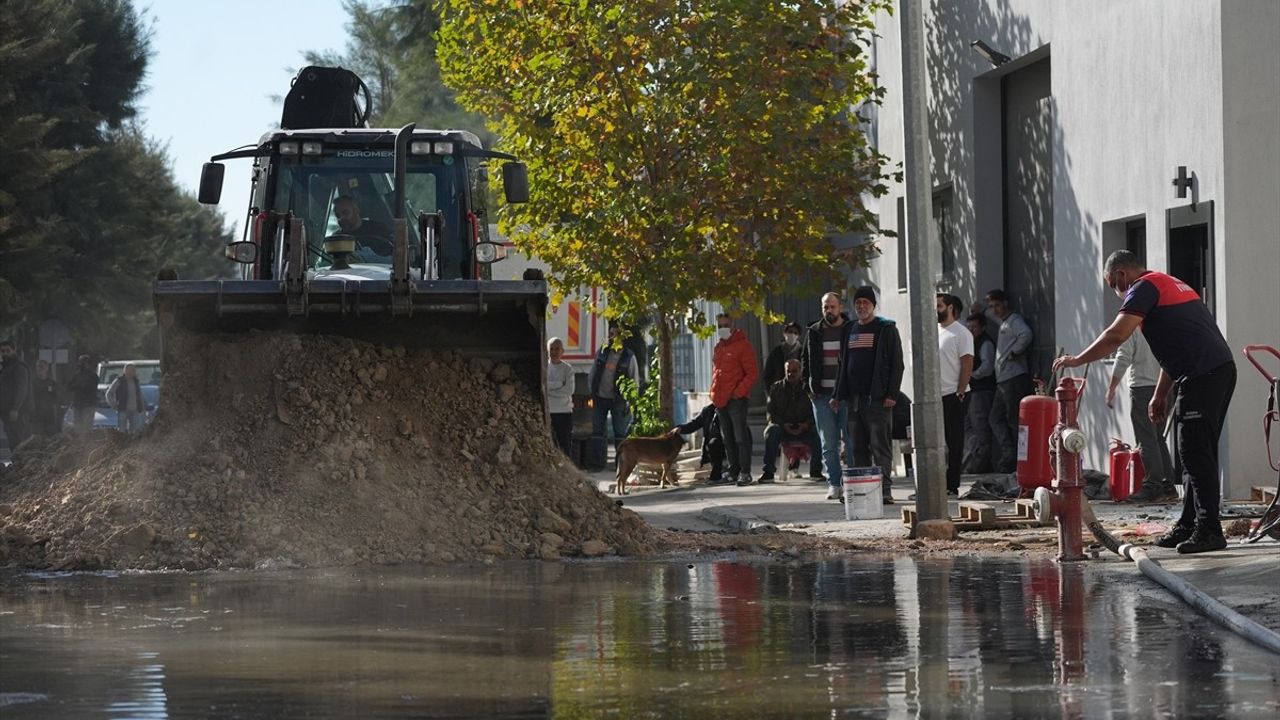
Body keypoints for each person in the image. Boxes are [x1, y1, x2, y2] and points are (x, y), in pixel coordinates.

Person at [1054, 250, 1236, 554]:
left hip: (1204, 373)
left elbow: (1116, 336)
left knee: (1194, 452)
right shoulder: (1167, 284)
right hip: (1213, 371)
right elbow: (1175, 346)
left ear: (1122, 276)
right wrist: (1160, 393)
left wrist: (1076, 360)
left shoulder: (1142, 288)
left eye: (1114, 284)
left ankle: (1209, 530)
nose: (1117, 292)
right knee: (1191, 453)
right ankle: (1190, 524)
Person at [832, 286, 904, 504]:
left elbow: (896, 364)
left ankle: (885, 491)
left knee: (879, 445)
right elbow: (842, 365)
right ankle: (863, 490)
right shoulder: (849, 329)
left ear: (874, 305)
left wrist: (892, 393)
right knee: (857, 447)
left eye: (866, 303)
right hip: (854, 399)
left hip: (878, 399)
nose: (861, 307)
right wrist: (837, 394)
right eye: (858, 303)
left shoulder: (885, 329)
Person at [1105, 332, 1178, 503]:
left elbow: (1123, 356)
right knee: (1157, 438)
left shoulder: (1133, 323)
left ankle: (1153, 487)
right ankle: (1168, 486)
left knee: (1146, 439)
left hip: (1143, 388)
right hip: (1166, 388)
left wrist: (1111, 388)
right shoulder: (1164, 319)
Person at [802, 292, 853, 500]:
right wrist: (809, 388)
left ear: (840, 307)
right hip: (821, 396)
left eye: (832, 307)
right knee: (828, 444)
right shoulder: (814, 332)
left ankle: (850, 483)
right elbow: (805, 361)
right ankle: (833, 483)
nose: (828, 311)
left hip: (846, 395)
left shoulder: (851, 329)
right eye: (825, 307)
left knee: (850, 442)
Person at [986, 289, 1034, 472]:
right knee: (995, 418)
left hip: (1013, 377)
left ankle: (1016, 459)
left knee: (1014, 419)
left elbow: (1026, 334)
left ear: (1005, 302)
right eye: (991, 307)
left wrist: (1015, 352)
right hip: (1004, 378)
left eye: (997, 305)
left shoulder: (1014, 320)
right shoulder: (1005, 322)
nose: (994, 310)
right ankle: (1009, 454)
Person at [710, 313, 758, 486]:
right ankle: (733, 470)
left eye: (725, 325)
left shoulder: (743, 346)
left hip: (737, 399)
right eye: (719, 326)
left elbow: (752, 373)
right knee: (727, 438)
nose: (722, 329)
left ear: (733, 326)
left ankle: (745, 472)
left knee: (740, 437)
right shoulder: (718, 347)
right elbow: (717, 374)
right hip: (720, 399)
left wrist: (739, 392)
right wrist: (713, 394)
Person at [760, 359, 823, 482]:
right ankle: (768, 472)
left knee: (818, 431)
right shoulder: (776, 388)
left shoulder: (807, 389)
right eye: (788, 371)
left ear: (800, 372)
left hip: (804, 428)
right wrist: (784, 425)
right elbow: (771, 412)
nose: (790, 374)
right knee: (771, 431)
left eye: (794, 371)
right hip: (783, 428)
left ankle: (816, 471)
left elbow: (815, 412)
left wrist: (805, 425)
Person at [936, 294, 974, 497]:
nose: (936, 309)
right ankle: (934, 484)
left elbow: (967, 363)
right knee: (933, 443)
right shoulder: (933, 331)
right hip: (934, 397)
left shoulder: (961, 333)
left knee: (954, 441)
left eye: (939, 306)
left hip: (954, 394)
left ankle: (952, 485)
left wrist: (960, 390)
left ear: (950, 308)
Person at [588, 322, 639, 467]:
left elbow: (634, 380)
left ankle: (620, 465)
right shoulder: (602, 352)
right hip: (600, 397)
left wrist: (631, 401)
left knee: (620, 434)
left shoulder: (629, 357)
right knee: (597, 432)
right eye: (610, 334)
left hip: (619, 400)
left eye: (614, 335)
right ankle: (597, 464)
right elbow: (592, 373)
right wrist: (592, 391)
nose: (611, 337)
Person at [962, 313, 996, 473]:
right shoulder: (971, 342)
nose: (971, 329)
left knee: (981, 428)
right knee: (969, 428)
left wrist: (971, 374)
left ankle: (983, 464)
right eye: (969, 327)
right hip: (970, 391)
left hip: (981, 391)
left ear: (982, 327)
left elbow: (987, 367)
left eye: (974, 326)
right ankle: (972, 463)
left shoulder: (985, 343)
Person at [674, 404, 727, 484]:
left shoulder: (729, 408)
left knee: (715, 443)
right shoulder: (708, 410)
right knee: (713, 444)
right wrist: (680, 428)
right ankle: (716, 475)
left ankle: (726, 473)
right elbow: (694, 424)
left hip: (728, 442)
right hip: (713, 444)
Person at [0, 339, 31, 447]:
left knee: (18, 441)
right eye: (2, 351)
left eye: (8, 351)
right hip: (7, 411)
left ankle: (22, 463)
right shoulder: (6, 368)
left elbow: (22, 389)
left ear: (14, 350)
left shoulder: (19, 367)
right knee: (12, 440)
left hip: (18, 413)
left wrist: (15, 408)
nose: (5, 353)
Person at [546, 337, 574, 456]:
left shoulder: (568, 369)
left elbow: (569, 390)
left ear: (562, 351)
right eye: (551, 349)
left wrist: (549, 389)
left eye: (557, 349)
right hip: (548, 411)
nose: (554, 352)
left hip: (564, 412)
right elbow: (542, 387)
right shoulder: (544, 367)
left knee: (564, 444)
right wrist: (558, 384)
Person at [106, 363, 146, 436]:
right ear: (125, 371)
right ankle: (121, 445)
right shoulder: (119, 380)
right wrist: (113, 404)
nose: (130, 372)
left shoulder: (136, 381)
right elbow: (109, 393)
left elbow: (140, 395)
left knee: (134, 431)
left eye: (132, 370)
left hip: (135, 410)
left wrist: (143, 407)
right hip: (122, 409)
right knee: (121, 431)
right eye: (128, 370)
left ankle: (132, 445)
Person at [763, 321, 804, 388]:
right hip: (780, 391)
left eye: (795, 333)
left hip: (800, 391)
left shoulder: (804, 352)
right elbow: (768, 374)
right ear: (784, 333)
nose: (792, 334)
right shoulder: (776, 353)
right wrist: (770, 392)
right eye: (790, 332)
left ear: (799, 336)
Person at [68, 355, 99, 433]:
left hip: (88, 405)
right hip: (78, 404)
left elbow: (88, 388)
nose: (80, 364)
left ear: (87, 363)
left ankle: (87, 443)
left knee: (87, 427)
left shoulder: (93, 376)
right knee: (77, 427)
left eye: (82, 362)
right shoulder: (77, 375)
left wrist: (79, 385)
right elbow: (70, 386)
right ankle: (78, 443)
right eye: (80, 362)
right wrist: (78, 385)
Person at [31, 359, 61, 436]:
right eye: (38, 366)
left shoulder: (52, 383)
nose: (40, 369)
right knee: (36, 437)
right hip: (36, 415)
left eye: (42, 367)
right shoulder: (32, 382)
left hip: (49, 415)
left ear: (47, 368)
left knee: (49, 437)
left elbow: (57, 398)